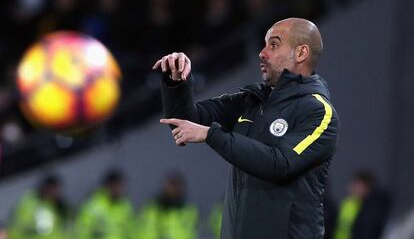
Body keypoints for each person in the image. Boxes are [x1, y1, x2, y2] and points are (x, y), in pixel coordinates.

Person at [153, 17, 339, 239]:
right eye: (264, 44)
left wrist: (212, 135)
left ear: (301, 53)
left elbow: (280, 164)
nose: (262, 53)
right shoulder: (252, 101)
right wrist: (177, 83)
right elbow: (185, 121)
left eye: (274, 44)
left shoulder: (319, 112)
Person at [135, 172, 198, 239]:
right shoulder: (152, 210)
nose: (173, 189)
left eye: (177, 186)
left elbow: (190, 233)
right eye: (171, 185)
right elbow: (145, 232)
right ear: (165, 187)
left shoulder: (189, 211)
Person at [76, 170, 134, 239]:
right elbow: (82, 228)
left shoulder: (125, 206)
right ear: (108, 185)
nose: (118, 189)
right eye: (116, 185)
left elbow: (131, 230)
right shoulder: (94, 204)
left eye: (120, 185)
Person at [8, 174, 70, 239]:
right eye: (52, 189)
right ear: (45, 188)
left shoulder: (60, 206)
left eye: (56, 189)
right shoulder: (30, 204)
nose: (55, 193)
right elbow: (18, 228)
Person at [334, 170, 391, 239]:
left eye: (356, 185)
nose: (352, 188)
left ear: (366, 187)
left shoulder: (373, 208)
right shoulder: (349, 203)